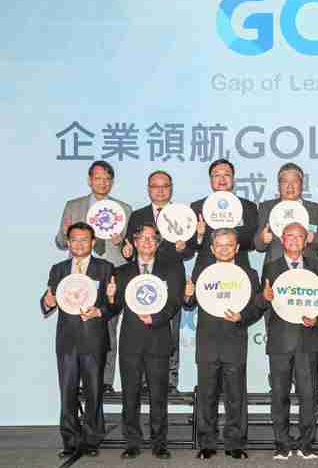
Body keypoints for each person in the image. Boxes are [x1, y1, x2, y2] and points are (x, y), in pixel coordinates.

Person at [184, 228, 263, 460]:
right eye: (219, 245)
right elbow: (189, 303)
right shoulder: (202, 272)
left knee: (235, 396)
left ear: (237, 248)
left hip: (234, 341)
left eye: (229, 245)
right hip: (207, 342)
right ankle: (207, 443)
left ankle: (235, 443)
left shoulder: (249, 274)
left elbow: (258, 307)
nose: (224, 249)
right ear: (212, 248)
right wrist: (187, 295)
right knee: (207, 395)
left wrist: (242, 316)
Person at [41, 222, 117, 458]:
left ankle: (92, 440)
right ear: (68, 243)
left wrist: (101, 310)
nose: (79, 244)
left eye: (84, 240)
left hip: (94, 339)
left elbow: (114, 305)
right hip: (67, 341)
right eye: (74, 239)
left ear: (93, 242)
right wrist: (47, 302)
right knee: (67, 392)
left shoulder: (105, 268)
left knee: (94, 392)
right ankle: (70, 440)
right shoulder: (58, 270)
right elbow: (47, 300)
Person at [55, 160, 132, 393]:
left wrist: (122, 243)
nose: (102, 183)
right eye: (98, 178)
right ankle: (77, 379)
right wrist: (63, 233)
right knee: (77, 325)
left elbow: (129, 251)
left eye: (107, 179)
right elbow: (61, 242)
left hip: (110, 272)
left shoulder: (124, 209)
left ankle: (105, 381)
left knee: (108, 326)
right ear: (90, 180)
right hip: (79, 272)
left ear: (112, 182)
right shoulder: (73, 205)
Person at [112, 224, 184, 460]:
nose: (147, 242)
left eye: (152, 238)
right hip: (131, 342)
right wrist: (110, 296)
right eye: (142, 238)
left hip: (158, 339)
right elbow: (114, 307)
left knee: (158, 396)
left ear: (158, 243)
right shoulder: (121, 272)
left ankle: (159, 443)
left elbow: (175, 302)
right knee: (130, 395)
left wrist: (156, 318)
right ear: (134, 242)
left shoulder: (170, 270)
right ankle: (132, 442)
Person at [259, 222, 318, 461]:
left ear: (306, 240)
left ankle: (306, 443)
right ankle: (282, 443)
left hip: (308, 341)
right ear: (282, 239)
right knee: (279, 394)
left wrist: (317, 319)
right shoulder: (271, 267)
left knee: (308, 395)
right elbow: (263, 303)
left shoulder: (317, 267)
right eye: (289, 236)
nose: (294, 240)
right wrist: (264, 297)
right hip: (279, 341)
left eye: (299, 236)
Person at [122, 170, 193, 392]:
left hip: (172, 276)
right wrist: (125, 251)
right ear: (148, 189)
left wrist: (184, 248)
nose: (160, 190)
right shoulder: (137, 215)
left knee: (171, 327)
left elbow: (191, 250)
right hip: (143, 278)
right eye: (155, 186)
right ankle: (145, 380)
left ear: (171, 188)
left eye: (165, 186)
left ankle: (170, 380)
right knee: (141, 327)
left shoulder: (182, 214)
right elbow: (129, 247)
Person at [255, 162, 318, 265]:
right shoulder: (266, 208)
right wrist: (263, 239)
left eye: (295, 182)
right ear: (278, 186)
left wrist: (313, 238)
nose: (290, 186)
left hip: (309, 267)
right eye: (285, 182)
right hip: (274, 267)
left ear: (302, 185)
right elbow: (258, 246)